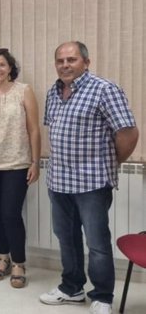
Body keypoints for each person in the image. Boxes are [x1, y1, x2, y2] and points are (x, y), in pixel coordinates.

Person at [39, 42, 139, 314]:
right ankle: (71, 288)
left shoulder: (104, 89)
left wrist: (111, 162)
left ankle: (103, 296)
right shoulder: (54, 91)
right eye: (60, 60)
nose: (65, 65)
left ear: (86, 61)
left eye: (71, 59)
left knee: (96, 242)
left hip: (92, 183)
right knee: (65, 237)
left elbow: (128, 133)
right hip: (58, 181)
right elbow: (55, 130)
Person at [0, 48, 40, 288]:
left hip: (17, 163)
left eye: (2, 65)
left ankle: (19, 262)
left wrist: (35, 161)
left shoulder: (24, 91)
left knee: (11, 213)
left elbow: (34, 129)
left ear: (10, 68)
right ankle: (2, 258)